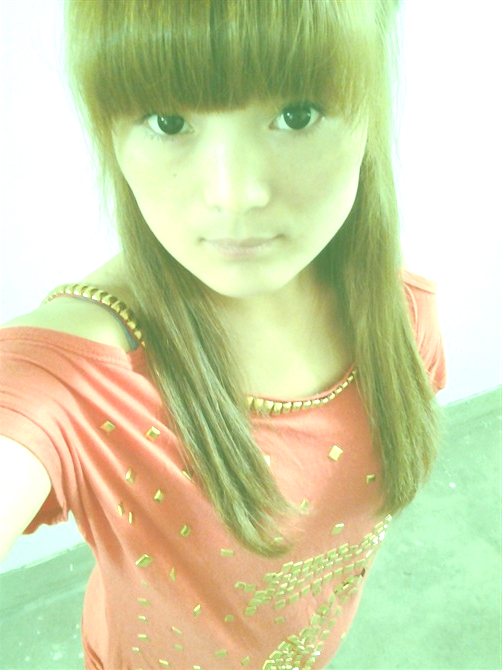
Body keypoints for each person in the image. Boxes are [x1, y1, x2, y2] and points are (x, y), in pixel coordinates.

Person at [0, 1, 447, 668]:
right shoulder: (74, 378)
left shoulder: (404, 320)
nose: (234, 193)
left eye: (297, 114)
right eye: (168, 121)